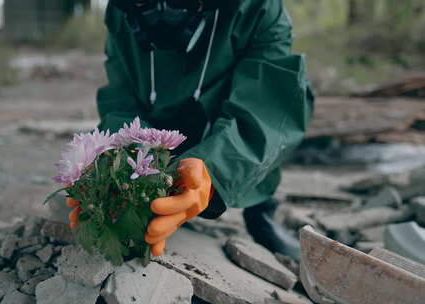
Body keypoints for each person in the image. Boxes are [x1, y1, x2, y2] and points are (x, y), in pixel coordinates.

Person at [69, 0, 314, 262]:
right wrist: (116, 166)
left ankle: (260, 208)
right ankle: (157, 199)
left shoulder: (260, 8)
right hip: (155, 124)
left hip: (223, 117)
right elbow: (121, 97)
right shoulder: (121, 10)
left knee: (268, 120)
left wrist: (214, 171)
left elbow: (267, 107)